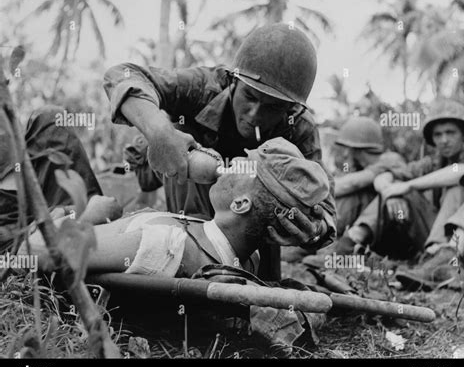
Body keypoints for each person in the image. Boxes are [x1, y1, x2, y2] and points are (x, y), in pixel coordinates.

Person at [103, 23, 337, 279]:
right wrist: (160, 133)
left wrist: (313, 229)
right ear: (233, 81)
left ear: (291, 108)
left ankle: (251, 279)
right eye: (250, 97)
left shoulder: (299, 127)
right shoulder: (205, 87)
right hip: (171, 175)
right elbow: (121, 75)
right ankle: (191, 254)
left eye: (272, 107)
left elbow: (324, 211)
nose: (254, 115)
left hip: (250, 230)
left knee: (266, 263)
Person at [30, 138, 329, 278]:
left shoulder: (167, 243)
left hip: (37, 240)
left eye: (243, 165)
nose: (233, 161)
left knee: (53, 131)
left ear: (240, 204)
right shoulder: (249, 259)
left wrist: (87, 215)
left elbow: (34, 254)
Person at [340, 99, 464, 289]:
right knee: (398, 189)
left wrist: (408, 186)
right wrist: (393, 193)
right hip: (433, 242)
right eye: (438, 134)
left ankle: (444, 258)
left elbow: (461, 172)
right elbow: (384, 176)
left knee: (455, 187)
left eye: (450, 132)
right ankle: (349, 242)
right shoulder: (431, 164)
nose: (444, 140)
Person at [0, 106, 105, 255]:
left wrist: (67, 211)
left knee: (51, 117)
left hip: (55, 209)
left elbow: (107, 207)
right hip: (18, 238)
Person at [333, 116, 405, 237]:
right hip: (374, 227)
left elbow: (352, 183)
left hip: (395, 228)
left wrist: (316, 191)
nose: (345, 153)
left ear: (357, 150)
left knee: (350, 195)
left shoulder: (389, 159)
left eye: (348, 148)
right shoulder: (362, 166)